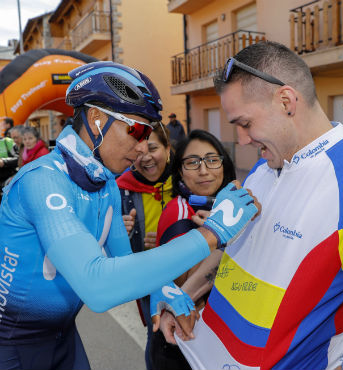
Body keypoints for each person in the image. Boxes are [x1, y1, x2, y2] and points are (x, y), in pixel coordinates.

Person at [0, 61, 258, 370]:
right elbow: (97, 286)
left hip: (63, 337)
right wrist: (212, 232)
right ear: (96, 119)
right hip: (11, 344)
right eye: (136, 130)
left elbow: (124, 257)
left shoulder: (104, 182)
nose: (141, 147)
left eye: (148, 133)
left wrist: (163, 290)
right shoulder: (41, 181)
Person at [163, 41, 343, 370]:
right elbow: (232, 246)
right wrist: (183, 297)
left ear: (286, 101)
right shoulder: (264, 167)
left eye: (245, 124)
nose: (242, 140)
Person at [150, 129, 236, 370]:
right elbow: (178, 281)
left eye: (212, 159)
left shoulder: (228, 206)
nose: (204, 170)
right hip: (185, 338)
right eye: (192, 162)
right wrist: (214, 235)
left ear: (223, 164)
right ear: (179, 171)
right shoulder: (180, 211)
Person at [116, 122, 173, 370]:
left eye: (153, 148)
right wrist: (120, 233)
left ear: (168, 148)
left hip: (188, 274)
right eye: (139, 152)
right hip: (148, 278)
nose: (146, 157)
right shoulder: (121, 189)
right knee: (157, 336)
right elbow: (110, 249)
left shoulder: (186, 182)